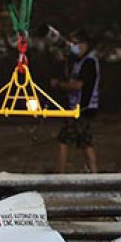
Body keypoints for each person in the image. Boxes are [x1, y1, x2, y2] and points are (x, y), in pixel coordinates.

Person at [51, 30, 100, 173]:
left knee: (64, 139)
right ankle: (94, 172)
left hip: (82, 108)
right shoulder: (79, 62)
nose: (73, 47)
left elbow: (79, 85)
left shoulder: (89, 62)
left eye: (75, 43)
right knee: (85, 142)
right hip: (80, 107)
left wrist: (59, 84)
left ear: (84, 45)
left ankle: (60, 173)